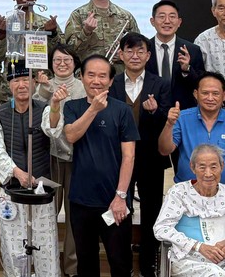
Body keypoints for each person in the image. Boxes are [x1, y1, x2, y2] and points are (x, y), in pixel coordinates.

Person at [63, 55, 140, 277]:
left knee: (120, 261)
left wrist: (121, 196)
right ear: (81, 77)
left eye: (102, 76)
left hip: (114, 200)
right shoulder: (73, 107)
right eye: (91, 75)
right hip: (81, 200)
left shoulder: (122, 110)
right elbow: (71, 135)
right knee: (86, 262)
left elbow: (129, 156)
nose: (96, 81)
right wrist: (93, 109)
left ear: (111, 80)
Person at [0, 64, 60, 277]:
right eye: (16, 80)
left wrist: (55, 106)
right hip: (12, 188)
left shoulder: (44, 109)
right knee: (13, 247)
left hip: (41, 189)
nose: (21, 85)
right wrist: (17, 172)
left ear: (34, 82)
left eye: (26, 80)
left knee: (46, 245)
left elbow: (53, 130)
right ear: (9, 85)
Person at [109, 33, 171, 277]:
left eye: (140, 51)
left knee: (152, 210)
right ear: (121, 54)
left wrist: (155, 112)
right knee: (120, 209)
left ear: (148, 55)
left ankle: (148, 265)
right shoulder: (112, 83)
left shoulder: (161, 84)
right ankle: (122, 265)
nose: (135, 56)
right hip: (118, 158)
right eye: (129, 50)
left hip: (150, 157)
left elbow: (168, 120)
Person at [153, 144, 225, 277]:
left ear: (222, 166)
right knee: (214, 273)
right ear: (192, 167)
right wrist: (198, 246)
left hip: (224, 259)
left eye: (214, 167)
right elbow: (161, 228)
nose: (208, 173)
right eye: (202, 167)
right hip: (187, 259)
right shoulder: (179, 192)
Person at [158, 73, 225, 192]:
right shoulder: (182, 118)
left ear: (224, 95)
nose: (210, 98)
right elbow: (164, 150)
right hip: (186, 191)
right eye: (205, 93)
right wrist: (169, 124)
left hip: (223, 192)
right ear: (196, 94)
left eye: (215, 93)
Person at [40, 44, 86, 277]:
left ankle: (72, 267)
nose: (62, 64)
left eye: (67, 60)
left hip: (78, 157)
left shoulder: (83, 87)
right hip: (49, 157)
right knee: (47, 214)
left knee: (73, 216)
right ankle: (47, 266)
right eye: (57, 60)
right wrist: (44, 89)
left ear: (75, 63)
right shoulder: (43, 86)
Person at [0, 0, 62, 102]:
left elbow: (60, 55)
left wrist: (52, 34)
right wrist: (1, 35)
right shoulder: (4, 24)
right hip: (11, 87)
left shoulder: (47, 24)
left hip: (42, 85)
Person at [64, 0, 139, 73]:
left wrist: (124, 54)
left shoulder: (126, 16)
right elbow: (69, 52)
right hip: (88, 76)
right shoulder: (78, 15)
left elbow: (138, 48)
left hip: (119, 76)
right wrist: (86, 31)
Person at [146, 0, 205, 109]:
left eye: (172, 17)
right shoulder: (144, 49)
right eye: (162, 17)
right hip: (150, 111)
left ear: (179, 22)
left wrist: (187, 69)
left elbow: (200, 84)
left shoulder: (192, 50)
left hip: (183, 111)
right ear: (152, 21)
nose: (167, 21)